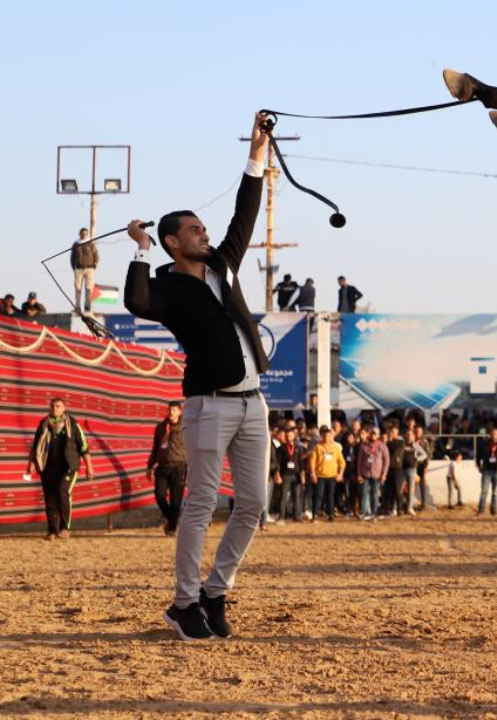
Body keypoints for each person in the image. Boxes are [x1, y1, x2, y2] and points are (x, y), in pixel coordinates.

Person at [124, 112, 271, 641]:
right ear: (170, 243)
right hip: (209, 404)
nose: (205, 233)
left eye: (203, 228)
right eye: (194, 229)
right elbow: (136, 300)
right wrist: (139, 250)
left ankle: (215, 591)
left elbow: (245, 212)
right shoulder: (166, 287)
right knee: (203, 503)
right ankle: (185, 603)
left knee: (254, 503)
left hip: (253, 403)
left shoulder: (223, 265)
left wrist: (257, 153)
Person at [25, 398, 93, 540]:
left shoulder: (73, 424)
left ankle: (64, 528)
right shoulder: (44, 424)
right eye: (52, 406)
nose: (54, 409)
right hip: (48, 467)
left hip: (69, 467)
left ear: (64, 408)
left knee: (63, 492)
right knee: (49, 498)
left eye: (58, 406)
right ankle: (52, 531)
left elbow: (84, 447)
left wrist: (89, 466)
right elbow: (35, 445)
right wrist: (30, 463)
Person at [147, 401, 188, 536]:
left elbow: (191, 448)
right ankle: (172, 521)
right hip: (162, 468)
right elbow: (155, 448)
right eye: (169, 410)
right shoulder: (161, 427)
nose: (171, 412)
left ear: (180, 412)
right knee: (159, 496)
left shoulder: (186, 427)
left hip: (179, 467)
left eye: (174, 410)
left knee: (176, 502)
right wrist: (149, 466)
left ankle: (171, 529)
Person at [308, 426, 345, 522]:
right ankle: (315, 515)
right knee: (318, 495)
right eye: (325, 436)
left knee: (330, 496)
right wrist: (313, 474)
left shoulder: (336, 448)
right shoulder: (317, 447)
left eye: (329, 436)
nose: (327, 438)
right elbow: (312, 462)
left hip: (332, 476)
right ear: (322, 436)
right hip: (320, 476)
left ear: (332, 437)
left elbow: (342, 462)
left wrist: (340, 474)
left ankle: (330, 514)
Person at [475, 427, 497, 517]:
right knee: (484, 491)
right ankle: (481, 510)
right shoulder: (485, 444)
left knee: (495, 492)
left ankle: (493, 511)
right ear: (490, 435)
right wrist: (478, 465)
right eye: (492, 434)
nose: (494, 436)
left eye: (495, 434)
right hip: (486, 471)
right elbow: (478, 455)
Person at [356, 425, 389, 520]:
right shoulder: (363, 445)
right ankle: (363, 513)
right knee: (364, 494)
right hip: (365, 474)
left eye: (375, 433)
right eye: (371, 433)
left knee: (374, 495)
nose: (373, 435)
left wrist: (384, 474)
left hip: (377, 474)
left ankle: (374, 513)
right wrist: (358, 474)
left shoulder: (382, 446)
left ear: (378, 435)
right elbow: (359, 461)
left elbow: (387, 461)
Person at [276, 427, 305, 524]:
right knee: (283, 496)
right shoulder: (281, 448)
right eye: (287, 435)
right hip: (285, 475)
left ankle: (297, 516)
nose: (289, 437)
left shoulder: (298, 448)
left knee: (296, 496)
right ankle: (281, 517)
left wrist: (303, 474)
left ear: (294, 436)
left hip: (296, 475)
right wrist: (277, 474)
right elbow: (278, 463)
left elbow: (301, 462)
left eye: (291, 435)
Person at [70, 227, 99, 315]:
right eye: (82, 233)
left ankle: (87, 306)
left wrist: (95, 265)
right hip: (78, 268)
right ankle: (77, 307)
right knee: (78, 288)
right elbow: (72, 257)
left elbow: (96, 255)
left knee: (88, 288)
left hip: (89, 268)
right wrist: (74, 267)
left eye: (85, 234)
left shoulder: (91, 243)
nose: (84, 235)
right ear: (80, 234)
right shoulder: (76, 244)